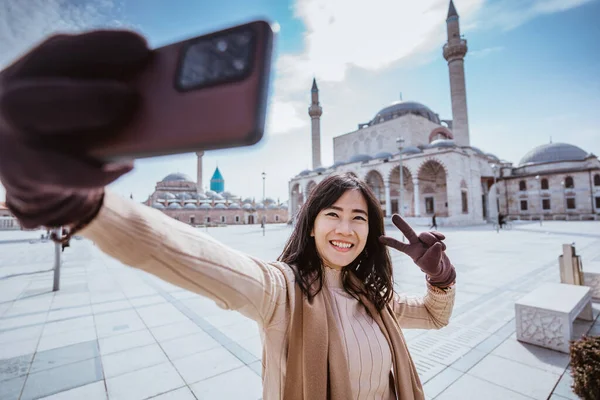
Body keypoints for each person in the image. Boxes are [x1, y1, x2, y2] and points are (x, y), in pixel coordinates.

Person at [0, 31, 457, 400]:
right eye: (332, 213)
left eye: (359, 218)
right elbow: (188, 255)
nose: (345, 228)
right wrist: (87, 207)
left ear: (372, 231)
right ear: (310, 221)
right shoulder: (283, 294)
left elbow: (434, 317)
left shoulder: (372, 299)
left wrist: (440, 280)